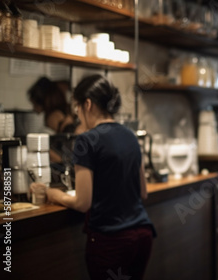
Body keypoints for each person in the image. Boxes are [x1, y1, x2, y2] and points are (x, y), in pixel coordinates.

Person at [32, 74, 156, 280]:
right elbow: (143, 192)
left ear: (87, 104)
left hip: (112, 241)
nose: (78, 116)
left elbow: (82, 203)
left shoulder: (86, 140)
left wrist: (51, 194)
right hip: (142, 236)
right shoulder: (130, 136)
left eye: (77, 109)